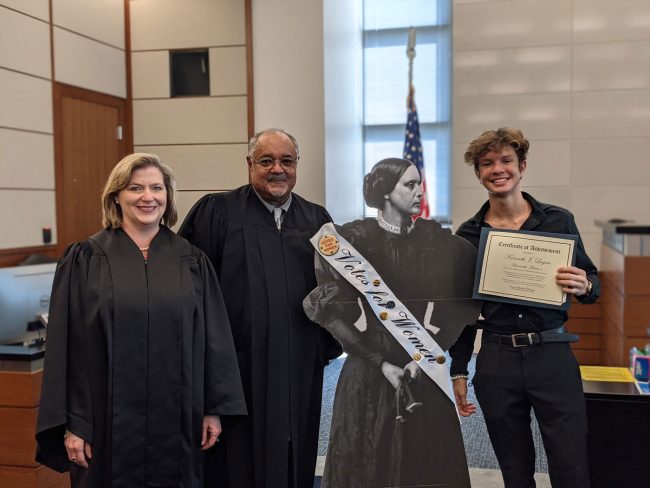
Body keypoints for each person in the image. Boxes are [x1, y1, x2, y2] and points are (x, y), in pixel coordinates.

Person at [35, 153, 246, 487]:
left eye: (156, 188)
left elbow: (214, 339)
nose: (148, 197)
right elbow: (66, 346)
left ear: (168, 196)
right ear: (116, 196)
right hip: (103, 424)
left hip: (178, 420)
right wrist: (74, 423)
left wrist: (213, 408)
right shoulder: (85, 259)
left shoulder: (191, 260)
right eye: (136, 188)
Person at [178, 129, 342, 488]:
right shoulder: (217, 212)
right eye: (266, 161)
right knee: (233, 456)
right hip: (235, 367)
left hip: (297, 364)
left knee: (295, 448)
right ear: (250, 165)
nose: (277, 169)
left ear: (297, 165)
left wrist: (320, 348)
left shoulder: (317, 220)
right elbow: (188, 291)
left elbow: (337, 292)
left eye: (287, 160)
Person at [304, 158, 482, 488]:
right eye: (410, 185)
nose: (419, 191)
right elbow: (331, 312)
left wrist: (428, 351)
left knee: (427, 461)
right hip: (368, 367)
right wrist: (379, 361)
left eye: (420, 184)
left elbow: (457, 309)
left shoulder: (440, 243)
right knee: (365, 457)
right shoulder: (354, 240)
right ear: (386, 191)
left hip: (423, 363)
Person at [450, 128, 600, 488]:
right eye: (487, 163)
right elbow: (462, 308)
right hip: (497, 361)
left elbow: (591, 283)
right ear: (478, 173)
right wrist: (458, 369)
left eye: (506, 160)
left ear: (522, 166)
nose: (497, 169)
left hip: (552, 355)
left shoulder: (557, 220)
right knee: (514, 470)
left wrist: (586, 284)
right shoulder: (467, 235)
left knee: (571, 467)